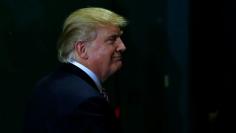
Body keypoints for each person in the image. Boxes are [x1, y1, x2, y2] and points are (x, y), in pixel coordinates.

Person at [23, 7, 128, 133]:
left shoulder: (46, 84)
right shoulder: (87, 102)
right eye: (112, 40)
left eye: (120, 38)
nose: (122, 46)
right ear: (82, 50)